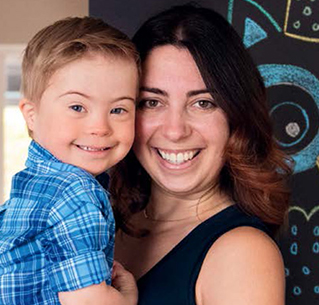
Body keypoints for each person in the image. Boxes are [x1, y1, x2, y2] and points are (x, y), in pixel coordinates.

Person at [109, 5, 292, 305]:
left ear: (236, 117)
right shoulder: (102, 220)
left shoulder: (243, 254)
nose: (175, 130)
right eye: (152, 102)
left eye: (203, 103)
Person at [0, 17, 139, 305]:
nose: (100, 127)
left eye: (118, 109)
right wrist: (127, 298)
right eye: (77, 107)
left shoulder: (33, 183)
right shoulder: (78, 194)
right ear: (31, 114)